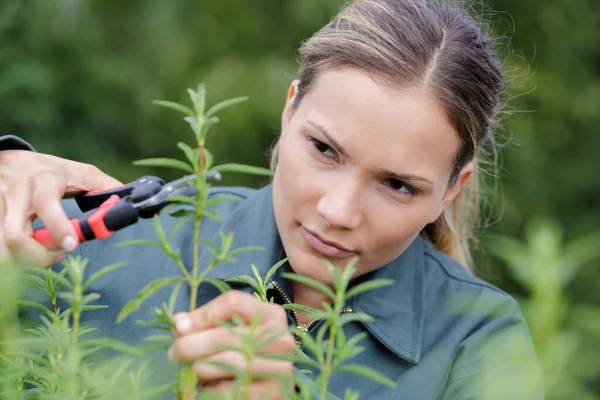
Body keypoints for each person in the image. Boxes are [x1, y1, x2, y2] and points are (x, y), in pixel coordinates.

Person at [0, 0, 543, 399]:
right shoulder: (109, 237)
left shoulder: (480, 340)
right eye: (325, 149)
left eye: (398, 185)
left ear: (452, 189)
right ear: (290, 112)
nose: (338, 211)